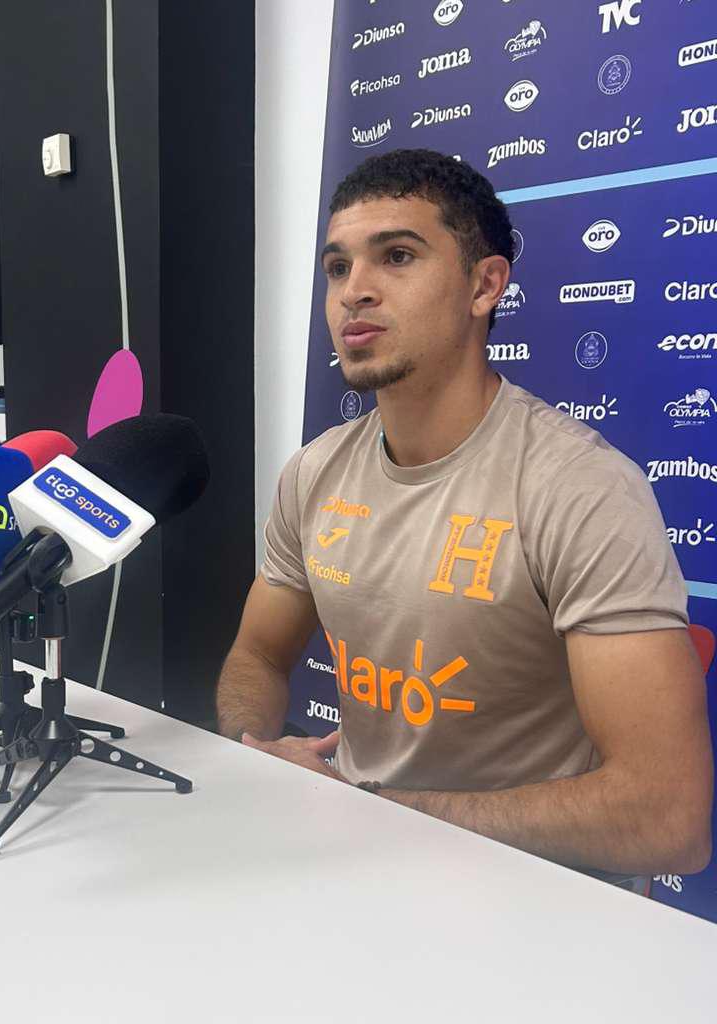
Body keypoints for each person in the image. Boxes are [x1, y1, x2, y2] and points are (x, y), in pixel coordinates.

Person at [216, 148, 713, 894]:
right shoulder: (315, 473)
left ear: (484, 285)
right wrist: (251, 748)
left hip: (541, 901)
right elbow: (255, 658)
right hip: (352, 865)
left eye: (397, 256)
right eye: (338, 268)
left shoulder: (579, 489)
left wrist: (382, 812)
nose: (356, 291)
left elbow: (668, 817)